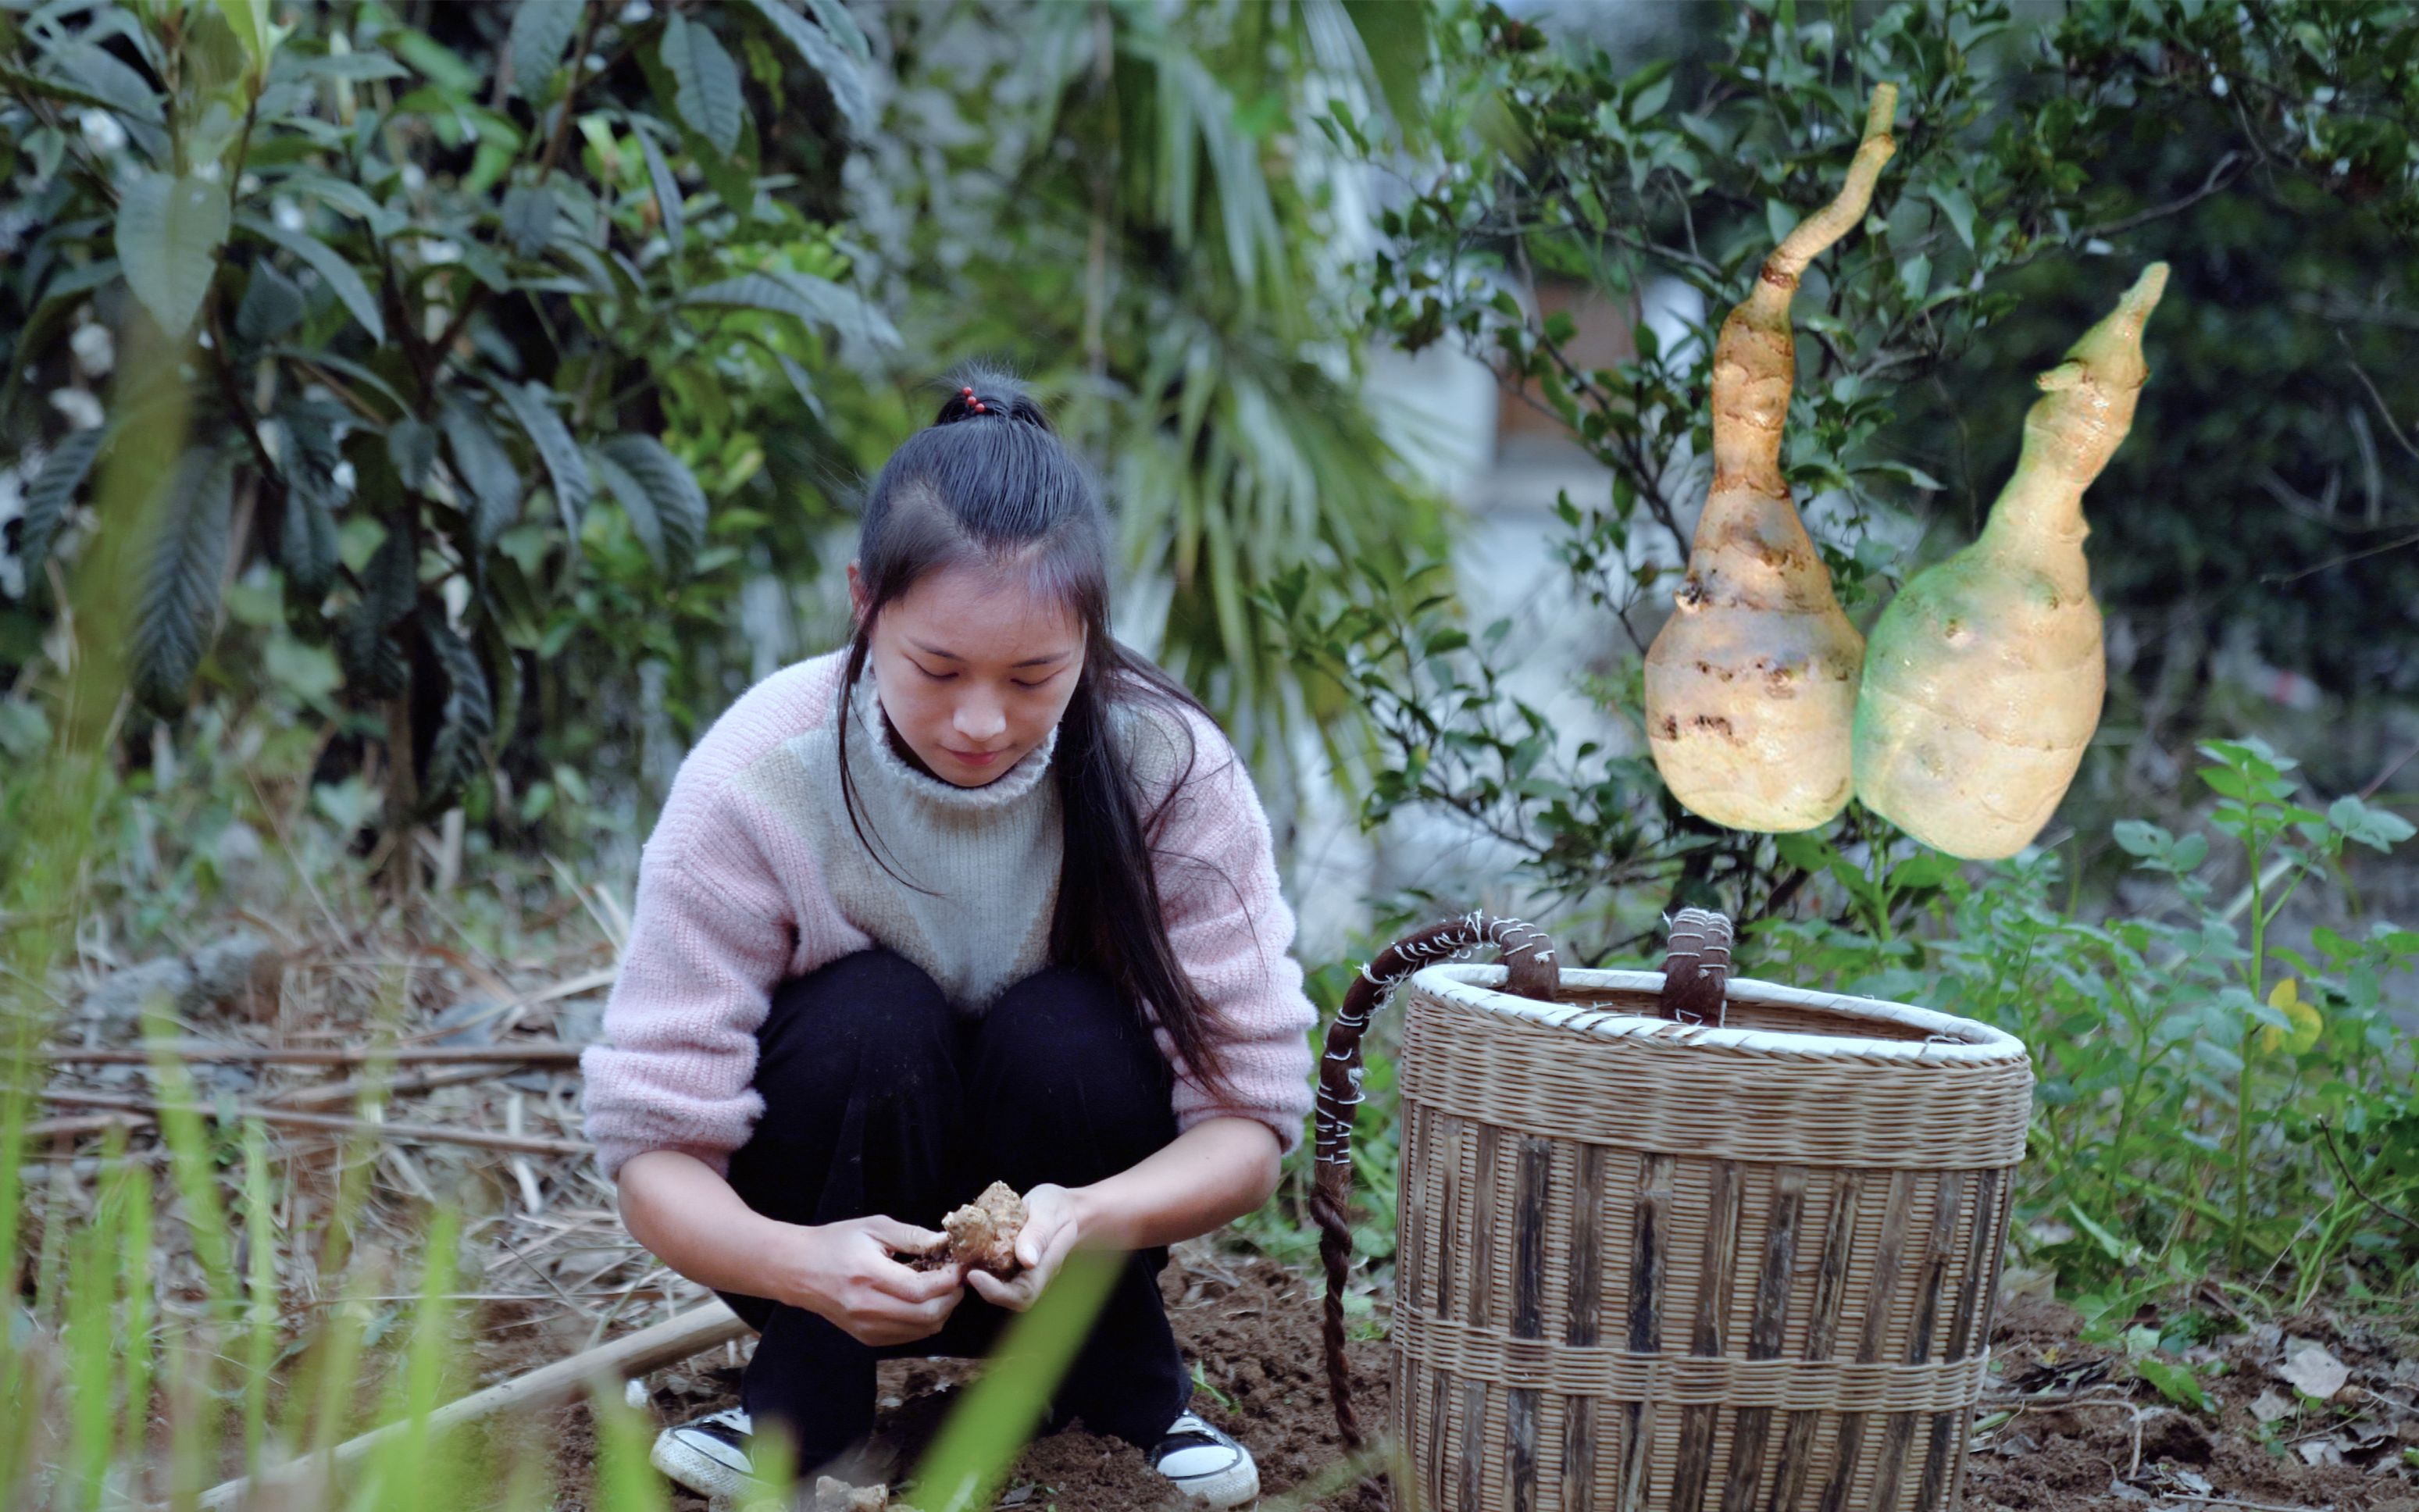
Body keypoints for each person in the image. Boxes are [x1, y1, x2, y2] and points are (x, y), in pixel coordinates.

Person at [578, 366, 1320, 1508]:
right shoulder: (758, 774)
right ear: (863, 603)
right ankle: (798, 1404)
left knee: (1064, 1029)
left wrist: (1088, 1214)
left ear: (1090, 637)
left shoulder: (1168, 769)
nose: (982, 722)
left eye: (1035, 678)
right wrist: (797, 1264)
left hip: (1080, 1246)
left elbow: (1251, 1121)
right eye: (937, 669)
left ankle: (1128, 1397)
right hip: (824, 1242)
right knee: (870, 1012)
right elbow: (653, 1148)